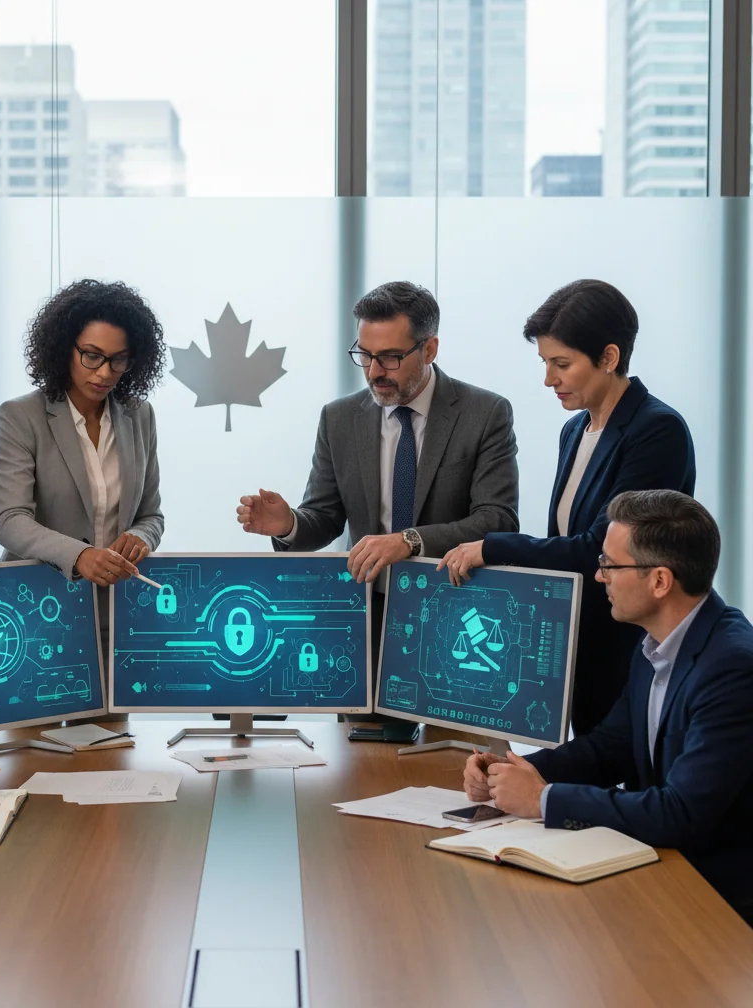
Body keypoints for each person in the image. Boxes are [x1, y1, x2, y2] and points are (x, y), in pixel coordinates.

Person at [463, 491, 753, 926]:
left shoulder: (732, 667)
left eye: (610, 565)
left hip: (714, 899)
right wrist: (510, 773)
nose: (600, 577)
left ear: (659, 581)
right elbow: (608, 749)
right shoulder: (655, 641)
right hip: (660, 869)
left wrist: (543, 799)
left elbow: (682, 812)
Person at [237, 280, 519, 708]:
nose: (373, 371)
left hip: (457, 618)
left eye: (390, 357)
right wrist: (290, 524)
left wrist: (409, 542)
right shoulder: (339, 418)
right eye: (364, 355)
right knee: (363, 756)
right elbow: (326, 517)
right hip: (365, 616)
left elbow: (497, 519)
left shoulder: (485, 414)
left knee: (449, 762)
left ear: (430, 350)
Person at [441, 280, 695, 735]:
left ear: (610, 357)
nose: (548, 379)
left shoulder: (657, 431)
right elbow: (564, 545)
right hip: (580, 652)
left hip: (630, 654)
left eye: (562, 364)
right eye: (545, 363)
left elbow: (597, 551)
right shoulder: (575, 431)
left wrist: (491, 548)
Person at [0, 278, 166, 657]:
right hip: (36, 612)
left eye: (118, 359)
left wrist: (142, 537)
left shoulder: (140, 416)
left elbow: (151, 514)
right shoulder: (21, 416)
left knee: (110, 720)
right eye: (91, 355)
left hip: (115, 615)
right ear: (63, 348)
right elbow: (9, 519)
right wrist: (80, 556)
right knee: (37, 719)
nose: (104, 372)